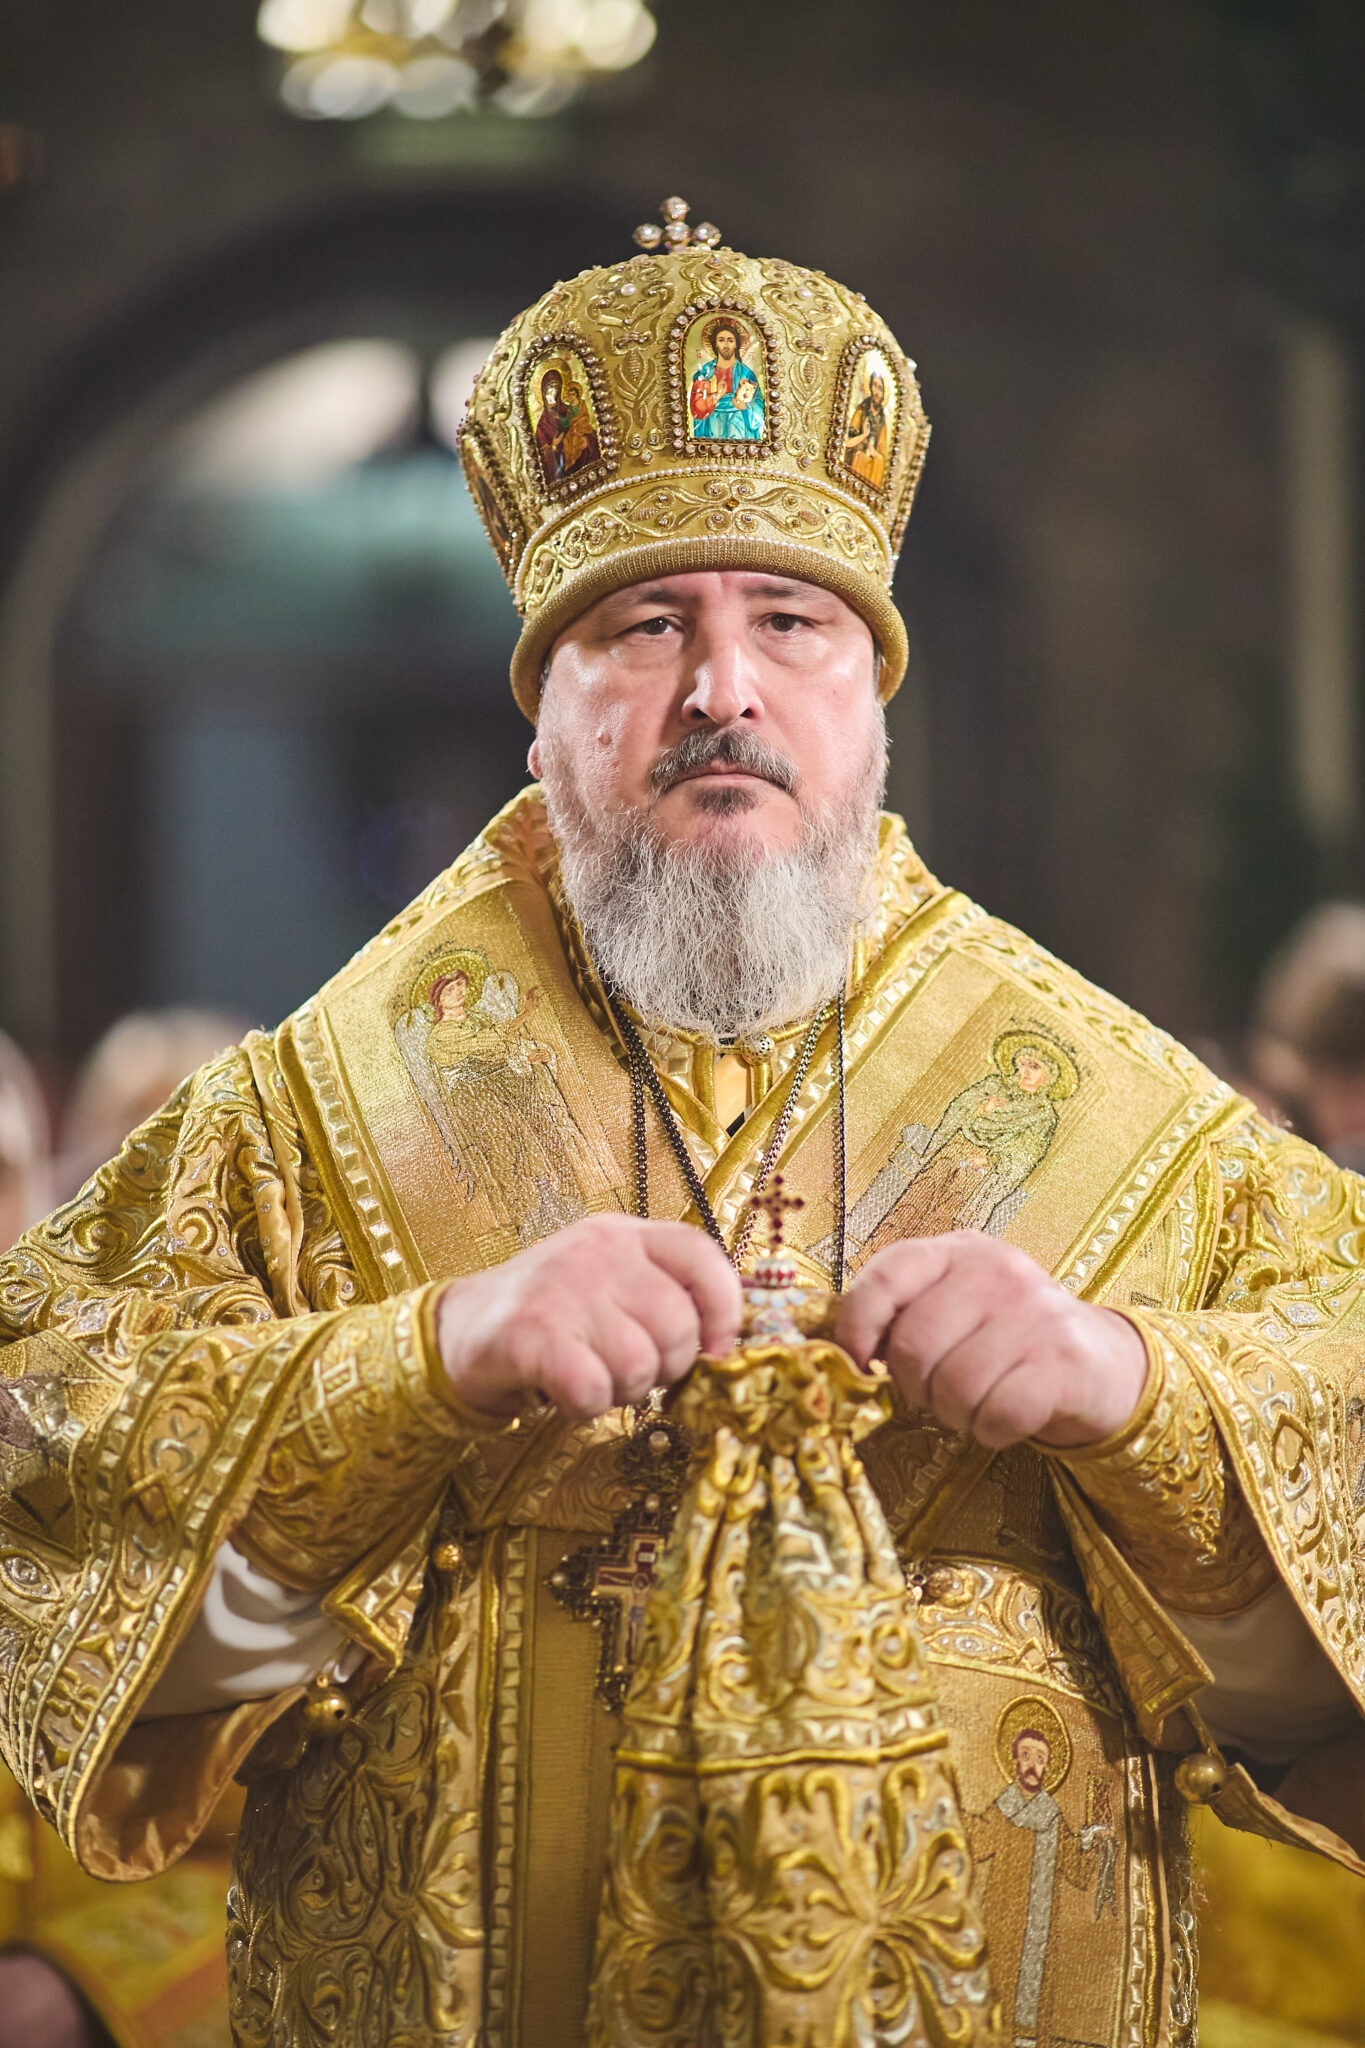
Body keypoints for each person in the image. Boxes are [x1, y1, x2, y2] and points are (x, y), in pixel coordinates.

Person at [1, 203, 1363, 2048]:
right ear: (542, 712)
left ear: (869, 702)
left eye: (789, 623)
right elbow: (48, 1457)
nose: (724, 689)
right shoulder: (302, 1122)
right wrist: (420, 1358)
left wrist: (1139, 1386)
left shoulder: (1128, 1120)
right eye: (647, 627)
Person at [689, 315, 765, 439]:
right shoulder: (705, 373)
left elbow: (759, 406)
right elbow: (696, 407)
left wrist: (745, 407)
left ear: (736, 345)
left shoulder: (745, 373)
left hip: (739, 426)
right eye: (721, 340)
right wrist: (717, 395)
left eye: (730, 340)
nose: (726, 345)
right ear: (715, 344)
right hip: (712, 425)